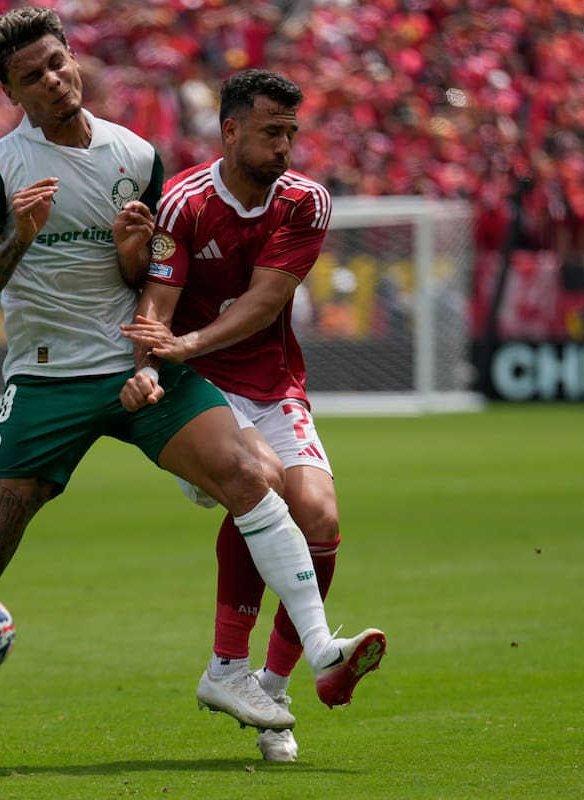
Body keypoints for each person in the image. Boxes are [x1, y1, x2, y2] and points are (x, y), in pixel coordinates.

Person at [0, 7, 378, 767]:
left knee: (249, 474)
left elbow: (151, 280)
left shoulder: (137, 156)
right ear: (12, 91)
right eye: (31, 75)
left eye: (56, 61)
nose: (52, 79)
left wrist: (133, 253)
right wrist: (19, 235)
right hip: (46, 378)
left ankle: (314, 650)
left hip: (134, 366)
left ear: (73, 57)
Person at [120, 70, 385, 762]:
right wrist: (153, 365)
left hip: (274, 385)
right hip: (203, 390)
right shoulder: (183, 202)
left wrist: (184, 342)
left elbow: (265, 303)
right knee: (259, 486)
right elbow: (157, 303)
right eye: (272, 132)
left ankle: (271, 691)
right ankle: (230, 663)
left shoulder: (306, 203)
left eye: (292, 132)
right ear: (231, 130)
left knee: (320, 518)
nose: (285, 147)